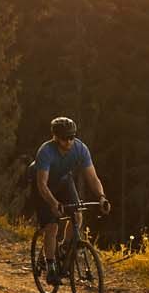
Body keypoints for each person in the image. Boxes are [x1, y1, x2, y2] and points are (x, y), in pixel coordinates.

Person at [32, 116, 108, 283]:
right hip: (43, 186)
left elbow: (93, 178)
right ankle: (50, 266)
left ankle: (64, 247)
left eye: (72, 137)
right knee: (52, 226)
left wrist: (101, 197)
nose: (69, 142)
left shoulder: (81, 149)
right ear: (55, 137)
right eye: (65, 138)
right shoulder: (46, 152)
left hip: (63, 181)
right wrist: (53, 203)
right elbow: (42, 184)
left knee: (78, 216)